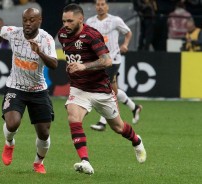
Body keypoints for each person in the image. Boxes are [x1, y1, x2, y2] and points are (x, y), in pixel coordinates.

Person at [58, 3, 146, 175]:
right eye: (64, 21)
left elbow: (107, 61)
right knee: (73, 117)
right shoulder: (62, 34)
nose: (66, 25)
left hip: (100, 89)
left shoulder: (91, 35)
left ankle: (136, 141)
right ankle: (85, 161)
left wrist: (83, 66)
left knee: (118, 127)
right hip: (79, 88)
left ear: (80, 19)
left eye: (69, 21)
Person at [0, 8, 58, 174]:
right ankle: (9, 143)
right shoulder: (13, 32)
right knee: (12, 123)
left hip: (38, 90)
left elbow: (54, 65)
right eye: (25, 19)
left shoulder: (46, 39)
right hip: (15, 86)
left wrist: (39, 52)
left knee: (44, 133)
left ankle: (38, 163)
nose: (27, 23)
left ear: (40, 21)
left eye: (32, 20)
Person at [87, 0, 142, 131]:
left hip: (113, 60)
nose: (100, 7)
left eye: (102, 4)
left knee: (105, 89)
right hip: (99, 60)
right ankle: (134, 107)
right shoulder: (90, 22)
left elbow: (128, 32)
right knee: (113, 90)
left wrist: (125, 45)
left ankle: (102, 122)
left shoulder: (115, 20)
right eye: (98, 4)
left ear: (107, 6)